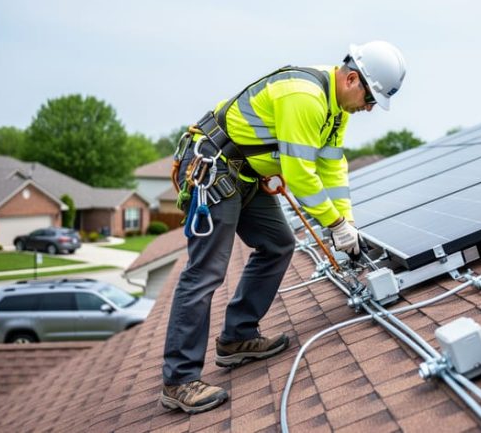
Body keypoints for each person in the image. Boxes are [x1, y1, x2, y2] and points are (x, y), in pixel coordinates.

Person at [160, 41, 407, 414]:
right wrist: (334, 224)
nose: (370, 108)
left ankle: (238, 338)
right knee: (206, 272)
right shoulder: (305, 97)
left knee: (278, 242)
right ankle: (179, 380)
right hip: (217, 169)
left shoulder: (336, 110)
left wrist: (347, 224)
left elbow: (331, 167)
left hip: (246, 174)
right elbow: (299, 175)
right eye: (370, 98)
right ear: (352, 78)